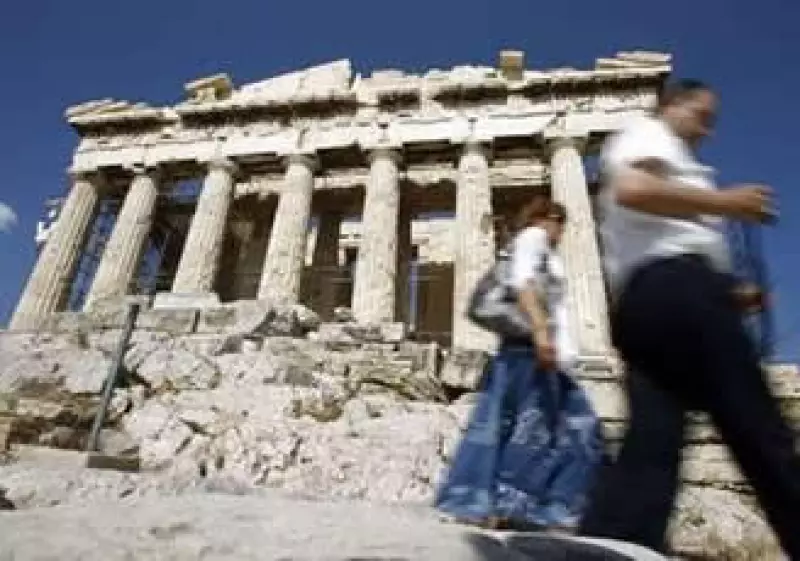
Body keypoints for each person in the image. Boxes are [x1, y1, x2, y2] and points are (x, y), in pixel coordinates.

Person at [578, 79, 800, 557]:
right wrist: (726, 203)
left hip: (652, 302)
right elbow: (635, 190)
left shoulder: (660, 148)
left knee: (651, 447)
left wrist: (735, 294)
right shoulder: (647, 135)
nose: (707, 129)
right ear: (672, 105)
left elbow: (657, 230)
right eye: (701, 115)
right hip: (679, 293)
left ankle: (606, 549)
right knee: (761, 432)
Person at [435, 194, 604, 530]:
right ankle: (523, 509)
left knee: (506, 427)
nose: (562, 231)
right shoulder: (532, 238)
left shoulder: (547, 254)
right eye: (559, 221)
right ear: (545, 218)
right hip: (530, 350)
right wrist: (541, 332)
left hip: (540, 355)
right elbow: (522, 281)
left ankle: (491, 503)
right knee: (548, 430)